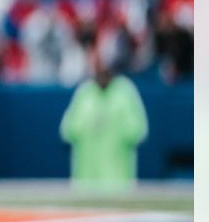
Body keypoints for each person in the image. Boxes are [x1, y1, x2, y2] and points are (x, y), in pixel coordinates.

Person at [60, 53, 149, 193]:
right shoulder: (85, 93)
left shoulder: (125, 92)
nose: (102, 74)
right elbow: (68, 130)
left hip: (119, 184)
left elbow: (138, 131)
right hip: (85, 183)